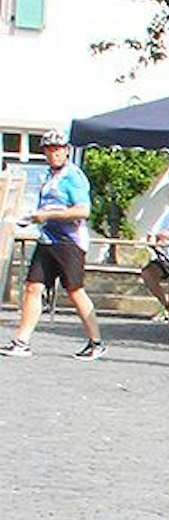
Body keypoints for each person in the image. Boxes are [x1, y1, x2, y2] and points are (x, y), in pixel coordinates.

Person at [3, 130, 107, 360]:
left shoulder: (73, 177)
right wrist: (32, 217)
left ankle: (96, 341)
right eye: (49, 150)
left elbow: (83, 210)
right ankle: (22, 341)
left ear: (66, 151)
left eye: (58, 149)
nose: (54, 154)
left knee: (74, 290)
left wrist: (48, 216)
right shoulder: (49, 177)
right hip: (47, 240)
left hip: (69, 243)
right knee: (33, 287)